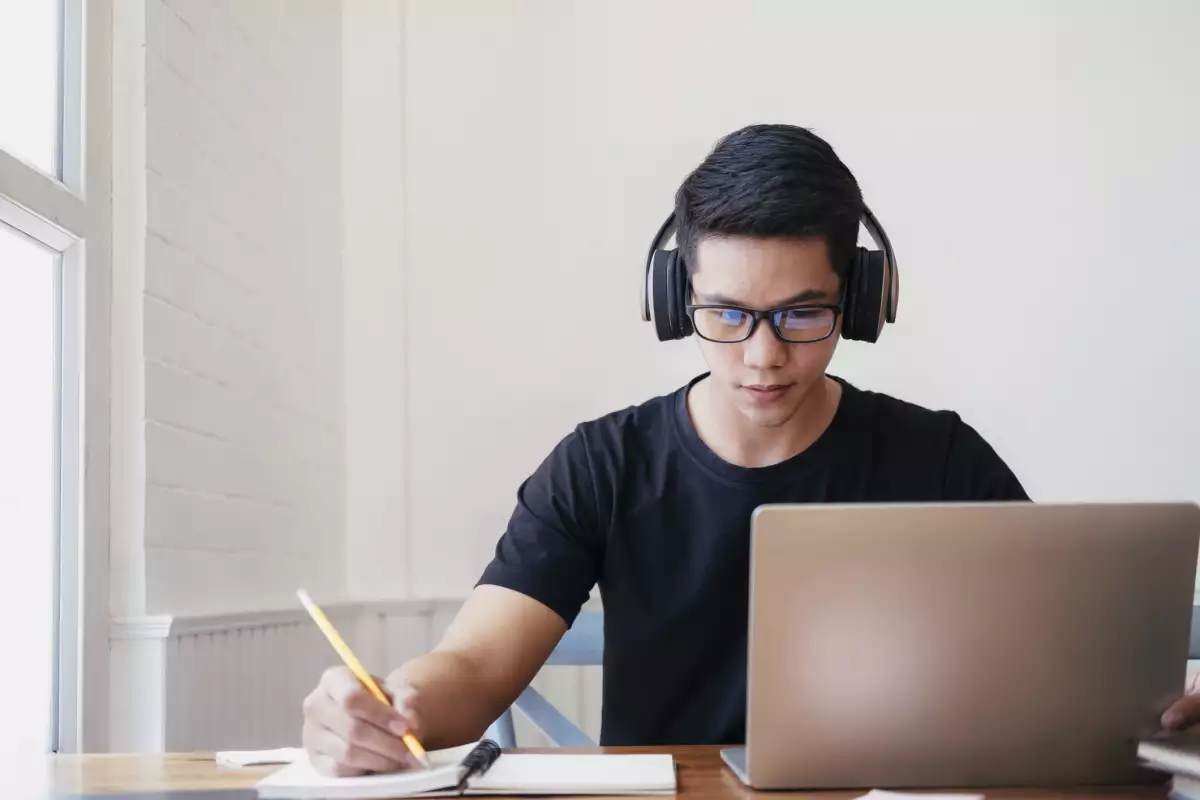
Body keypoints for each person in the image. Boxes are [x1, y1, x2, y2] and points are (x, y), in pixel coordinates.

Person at [300, 124, 1199, 776]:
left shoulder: (942, 458)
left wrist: (1164, 714)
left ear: (858, 303)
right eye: (725, 314)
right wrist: (393, 705)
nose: (763, 355)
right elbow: (475, 665)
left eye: (802, 313)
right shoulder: (601, 465)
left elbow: (1065, 663)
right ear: (672, 299)